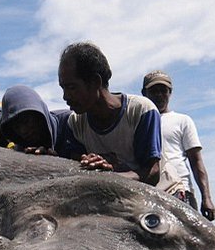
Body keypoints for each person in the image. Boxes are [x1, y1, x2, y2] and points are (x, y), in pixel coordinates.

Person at [58, 42, 162, 185]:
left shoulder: (140, 111)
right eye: (63, 88)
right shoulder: (75, 123)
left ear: (95, 82)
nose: (65, 97)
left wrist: (110, 178)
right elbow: (77, 171)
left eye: (71, 87)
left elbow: (152, 173)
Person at [141, 71, 215, 220]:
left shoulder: (182, 120)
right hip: (150, 192)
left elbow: (196, 162)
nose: (159, 95)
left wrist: (206, 197)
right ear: (144, 93)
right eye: (154, 91)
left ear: (170, 92)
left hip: (181, 191)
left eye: (164, 91)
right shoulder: (138, 121)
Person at [0, 85, 71, 157]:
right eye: (16, 127)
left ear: (39, 115)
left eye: (26, 121)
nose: (23, 131)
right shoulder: (21, 150)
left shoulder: (72, 123)